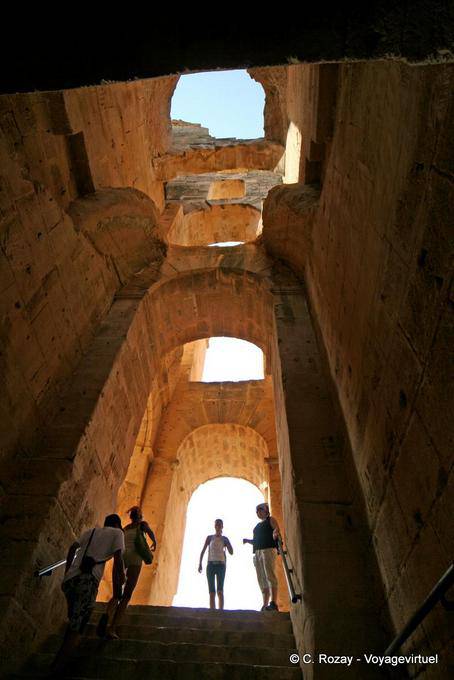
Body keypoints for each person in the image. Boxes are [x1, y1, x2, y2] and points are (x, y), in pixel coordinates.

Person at [51, 514, 125, 674]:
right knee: (77, 626)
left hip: (70, 580)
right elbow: (118, 557)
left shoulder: (91, 531)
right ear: (118, 524)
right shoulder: (117, 533)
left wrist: (67, 572)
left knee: (74, 620)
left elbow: (72, 548)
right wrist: (122, 577)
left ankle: (61, 659)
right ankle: (58, 668)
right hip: (88, 581)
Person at [105, 506, 156, 638]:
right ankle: (112, 628)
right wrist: (154, 542)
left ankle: (106, 615)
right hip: (135, 558)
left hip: (122, 557)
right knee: (126, 595)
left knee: (116, 595)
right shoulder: (142, 524)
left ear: (131, 516)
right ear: (140, 516)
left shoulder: (126, 528)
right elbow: (150, 532)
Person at [243, 502, 280, 611]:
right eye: (257, 510)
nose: (258, 512)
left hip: (268, 549)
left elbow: (276, 529)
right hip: (258, 552)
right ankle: (265, 604)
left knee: (270, 575)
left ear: (266, 510)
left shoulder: (270, 520)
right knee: (262, 578)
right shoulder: (258, 526)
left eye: (260, 509)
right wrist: (248, 541)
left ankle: (273, 602)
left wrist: (275, 534)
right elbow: (257, 541)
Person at [198, 519, 233, 609]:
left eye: (220, 524)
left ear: (222, 526)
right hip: (211, 565)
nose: (218, 526)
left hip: (221, 565)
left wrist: (227, 543)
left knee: (220, 590)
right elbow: (203, 550)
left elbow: (231, 552)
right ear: (214, 526)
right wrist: (200, 563)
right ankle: (212, 611)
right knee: (211, 592)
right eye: (216, 524)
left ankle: (221, 611)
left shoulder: (224, 539)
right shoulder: (210, 538)